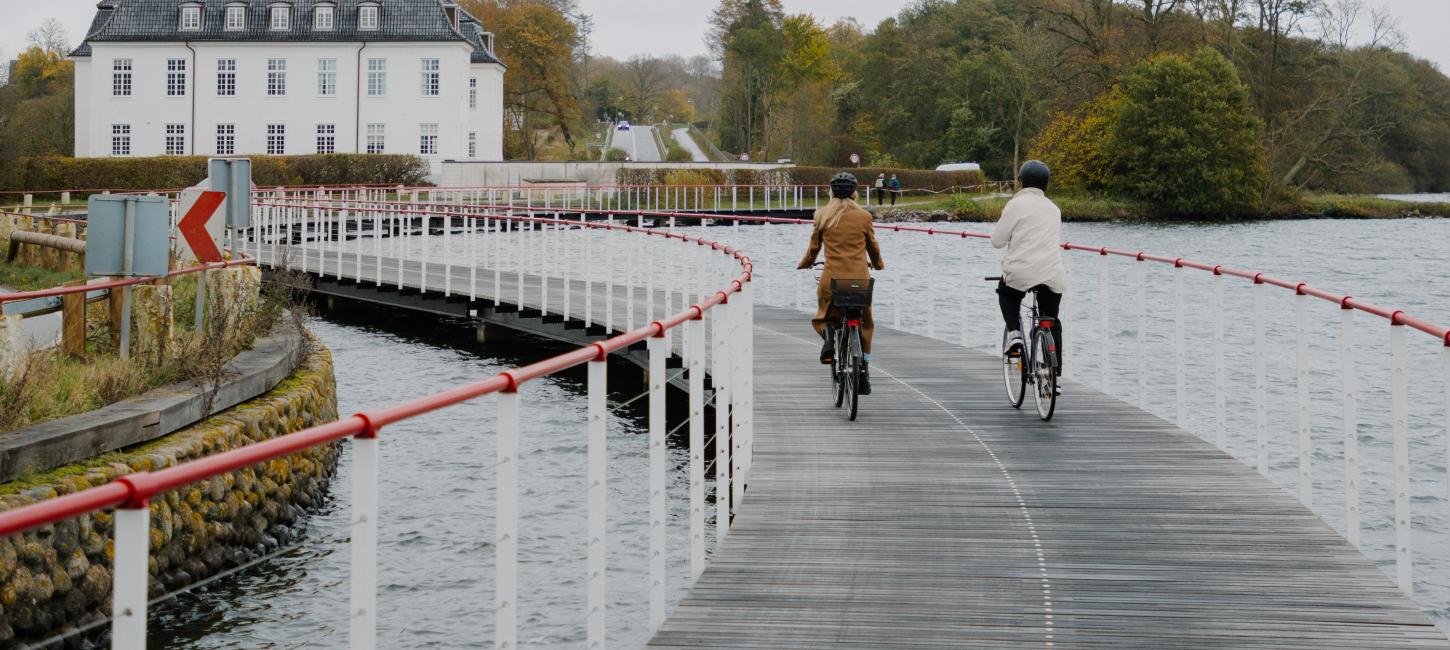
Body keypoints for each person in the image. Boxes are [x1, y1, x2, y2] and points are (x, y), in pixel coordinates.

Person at [798, 172, 886, 394]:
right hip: (859, 279)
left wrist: (805, 263)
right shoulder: (864, 217)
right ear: (855, 193)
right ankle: (863, 368)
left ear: (831, 192)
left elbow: (814, 248)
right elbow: (872, 247)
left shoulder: (822, 215)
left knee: (825, 314)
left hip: (832, 279)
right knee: (866, 321)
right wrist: (878, 263)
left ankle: (829, 338)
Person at [992, 160, 1068, 380]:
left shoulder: (1015, 205)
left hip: (1021, 273)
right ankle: (1055, 378)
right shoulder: (1054, 209)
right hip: (1052, 274)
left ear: (1021, 182)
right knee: (1051, 319)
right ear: (1046, 184)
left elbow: (997, 241)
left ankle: (1015, 336)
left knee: (1006, 294)